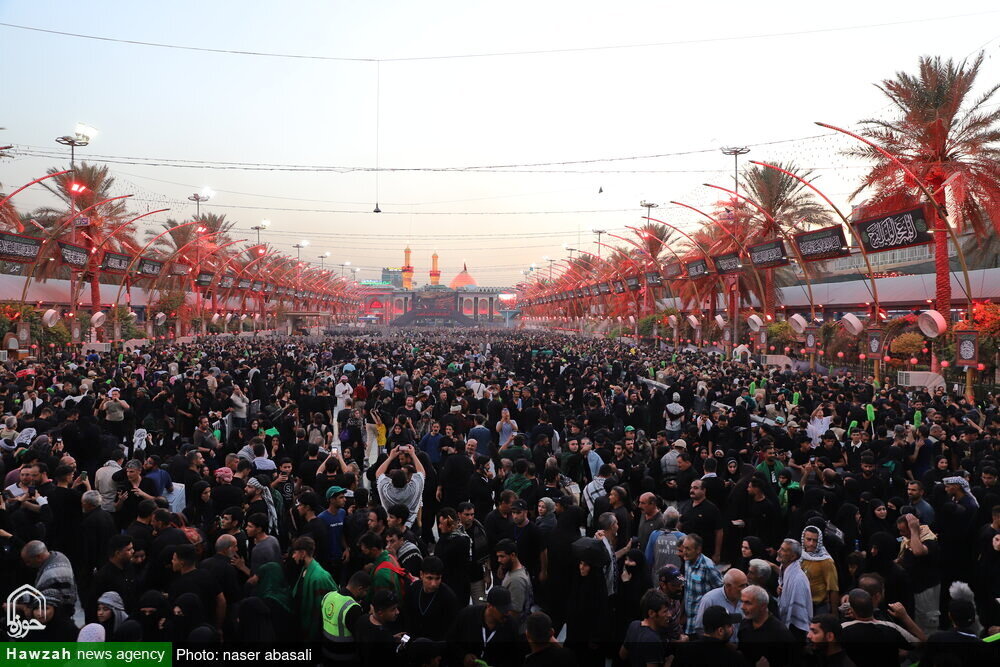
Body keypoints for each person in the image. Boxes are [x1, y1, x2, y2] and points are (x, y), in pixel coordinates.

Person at [446, 587, 520, 667]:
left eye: (508, 609)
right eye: (502, 610)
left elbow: (513, 656)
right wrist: (463, 656)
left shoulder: (511, 625)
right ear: (489, 606)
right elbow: (451, 641)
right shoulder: (467, 616)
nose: (507, 613)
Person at [290, 536, 338, 641]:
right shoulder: (305, 570)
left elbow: (321, 612)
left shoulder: (319, 577)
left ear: (303, 553)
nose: (293, 556)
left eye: (295, 553)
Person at [737, 584, 796, 667]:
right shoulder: (745, 624)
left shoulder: (780, 634)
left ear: (763, 606)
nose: (742, 607)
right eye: (742, 602)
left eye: (748, 603)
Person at [401, 556, 458, 641]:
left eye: (437, 578)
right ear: (421, 575)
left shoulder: (448, 597)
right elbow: (407, 617)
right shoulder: (413, 589)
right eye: (429, 578)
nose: (433, 584)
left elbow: (451, 629)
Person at [674, 605, 749, 667]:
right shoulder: (734, 658)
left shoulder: (685, 650)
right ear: (720, 631)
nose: (733, 628)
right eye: (729, 625)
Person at [680, 533, 723, 636]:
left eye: (688, 549)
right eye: (683, 548)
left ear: (698, 550)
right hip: (689, 622)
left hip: (702, 625)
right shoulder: (687, 562)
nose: (684, 551)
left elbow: (721, 591)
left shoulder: (708, 567)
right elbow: (687, 590)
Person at [375, 443, 425, 529]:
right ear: (407, 480)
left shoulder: (386, 490)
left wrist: (390, 457)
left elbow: (378, 474)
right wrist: (413, 454)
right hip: (410, 526)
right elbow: (422, 472)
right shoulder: (414, 489)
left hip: (391, 526)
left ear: (391, 481)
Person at [692, 567, 747, 642]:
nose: (745, 589)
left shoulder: (747, 598)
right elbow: (700, 628)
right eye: (741, 586)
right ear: (728, 586)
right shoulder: (710, 600)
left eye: (746, 585)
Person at [620, 589, 672, 667]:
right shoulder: (653, 640)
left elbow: (622, 655)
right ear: (651, 613)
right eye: (665, 611)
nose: (669, 615)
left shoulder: (634, 625)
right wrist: (669, 662)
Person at [776, 538, 812, 638]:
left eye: (783, 550)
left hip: (795, 630)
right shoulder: (784, 570)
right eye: (780, 548)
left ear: (793, 556)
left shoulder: (798, 579)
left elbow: (798, 614)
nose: (778, 551)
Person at [354, 589, 401, 666]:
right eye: (393, 609)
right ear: (380, 612)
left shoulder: (362, 619)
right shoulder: (384, 635)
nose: (397, 612)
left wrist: (391, 638)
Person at [800, 524, 839, 614]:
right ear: (803, 539)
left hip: (818, 607)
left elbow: (833, 588)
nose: (811, 544)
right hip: (801, 604)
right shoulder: (799, 556)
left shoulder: (826, 561)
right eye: (808, 539)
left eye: (815, 540)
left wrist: (834, 614)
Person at [496, 538, 533, 626]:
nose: (499, 560)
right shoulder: (514, 570)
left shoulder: (516, 580)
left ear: (513, 555)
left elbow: (514, 613)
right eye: (498, 557)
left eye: (502, 556)